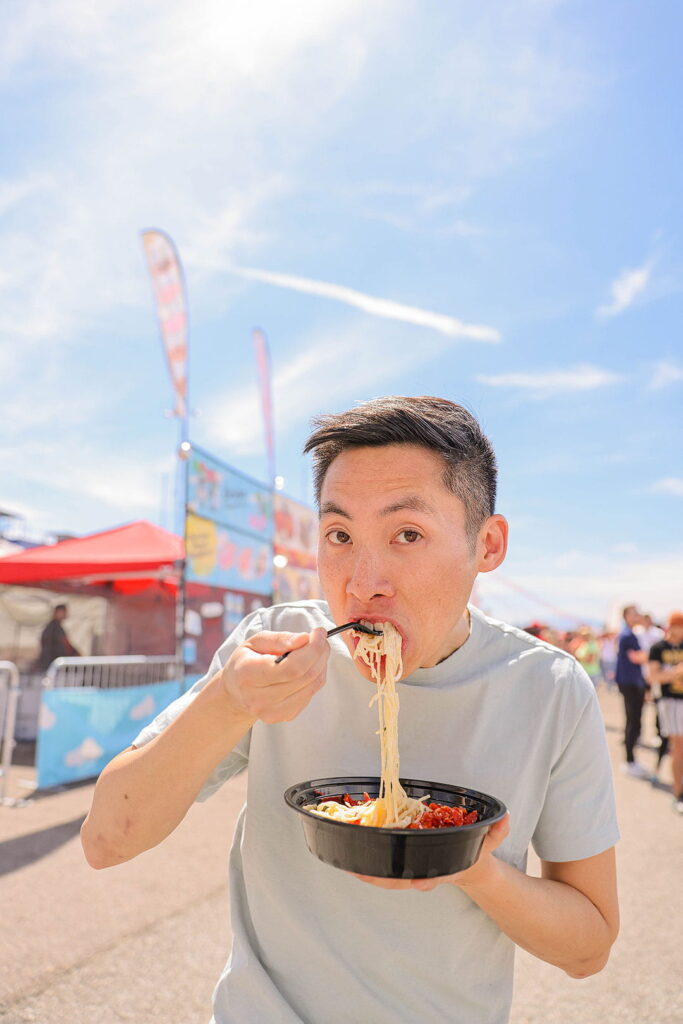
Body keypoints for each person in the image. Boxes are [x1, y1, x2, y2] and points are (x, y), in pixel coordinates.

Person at [82, 397, 620, 1024]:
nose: (364, 581)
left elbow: (589, 948)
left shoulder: (548, 688)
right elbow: (105, 841)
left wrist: (476, 871)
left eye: (407, 535)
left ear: (487, 545)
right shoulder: (271, 647)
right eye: (339, 535)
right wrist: (227, 703)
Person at [648, 611, 683, 813]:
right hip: (670, 702)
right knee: (677, 747)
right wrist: (676, 672)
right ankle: (678, 792)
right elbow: (654, 677)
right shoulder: (658, 648)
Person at [615, 605, 650, 778]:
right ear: (626, 616)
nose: (637, 616)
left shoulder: (630, 633)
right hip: (629, 683)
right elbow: (636, 657)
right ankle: (629, 761)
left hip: (632, 682)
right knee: (633, 721)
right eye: (634, 613)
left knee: (634, 720)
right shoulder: (628, 635)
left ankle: (631, 760)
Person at [36, 602, 81, 671]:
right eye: (63, 612)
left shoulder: (55, 627)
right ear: (57, 612)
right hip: (53, 664)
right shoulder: (53, 628)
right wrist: (76, 654)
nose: (65, 614)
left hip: (53, 664)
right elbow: (66, 645)